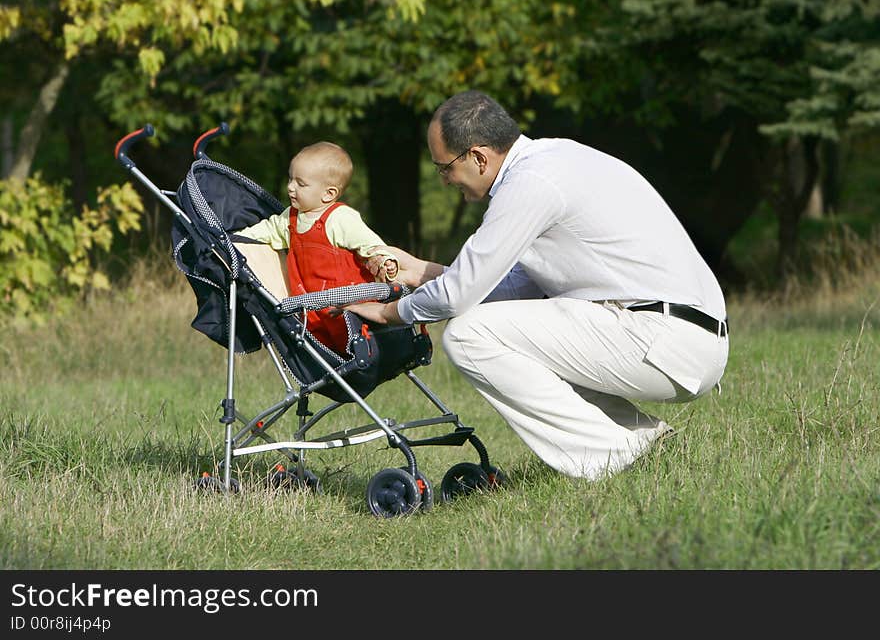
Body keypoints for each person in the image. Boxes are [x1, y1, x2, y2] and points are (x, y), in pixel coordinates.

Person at [344, 90, 729, 480]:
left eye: (444, 168)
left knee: (466, 335)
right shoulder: (553, 161)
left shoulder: (530, 184)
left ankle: (615, 457)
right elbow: (511, 289)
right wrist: (422, 271)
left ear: (477, 157)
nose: (443, 180)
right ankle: (644, 441)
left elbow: (460, 297)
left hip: (666, 338)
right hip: (679, 335)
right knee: (501, 328)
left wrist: (390, 312)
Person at [236, 141, 398, 355]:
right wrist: (233, 240)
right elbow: (266, 231)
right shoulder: (290, 219)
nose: (290, 187)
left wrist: (385, 261)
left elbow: (370, 244)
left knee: (349, 349)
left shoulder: (340, 218)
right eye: (290, 178)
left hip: (348, 309)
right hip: (309, 309)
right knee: (320, 353)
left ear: (328, 194)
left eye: (301, 184)